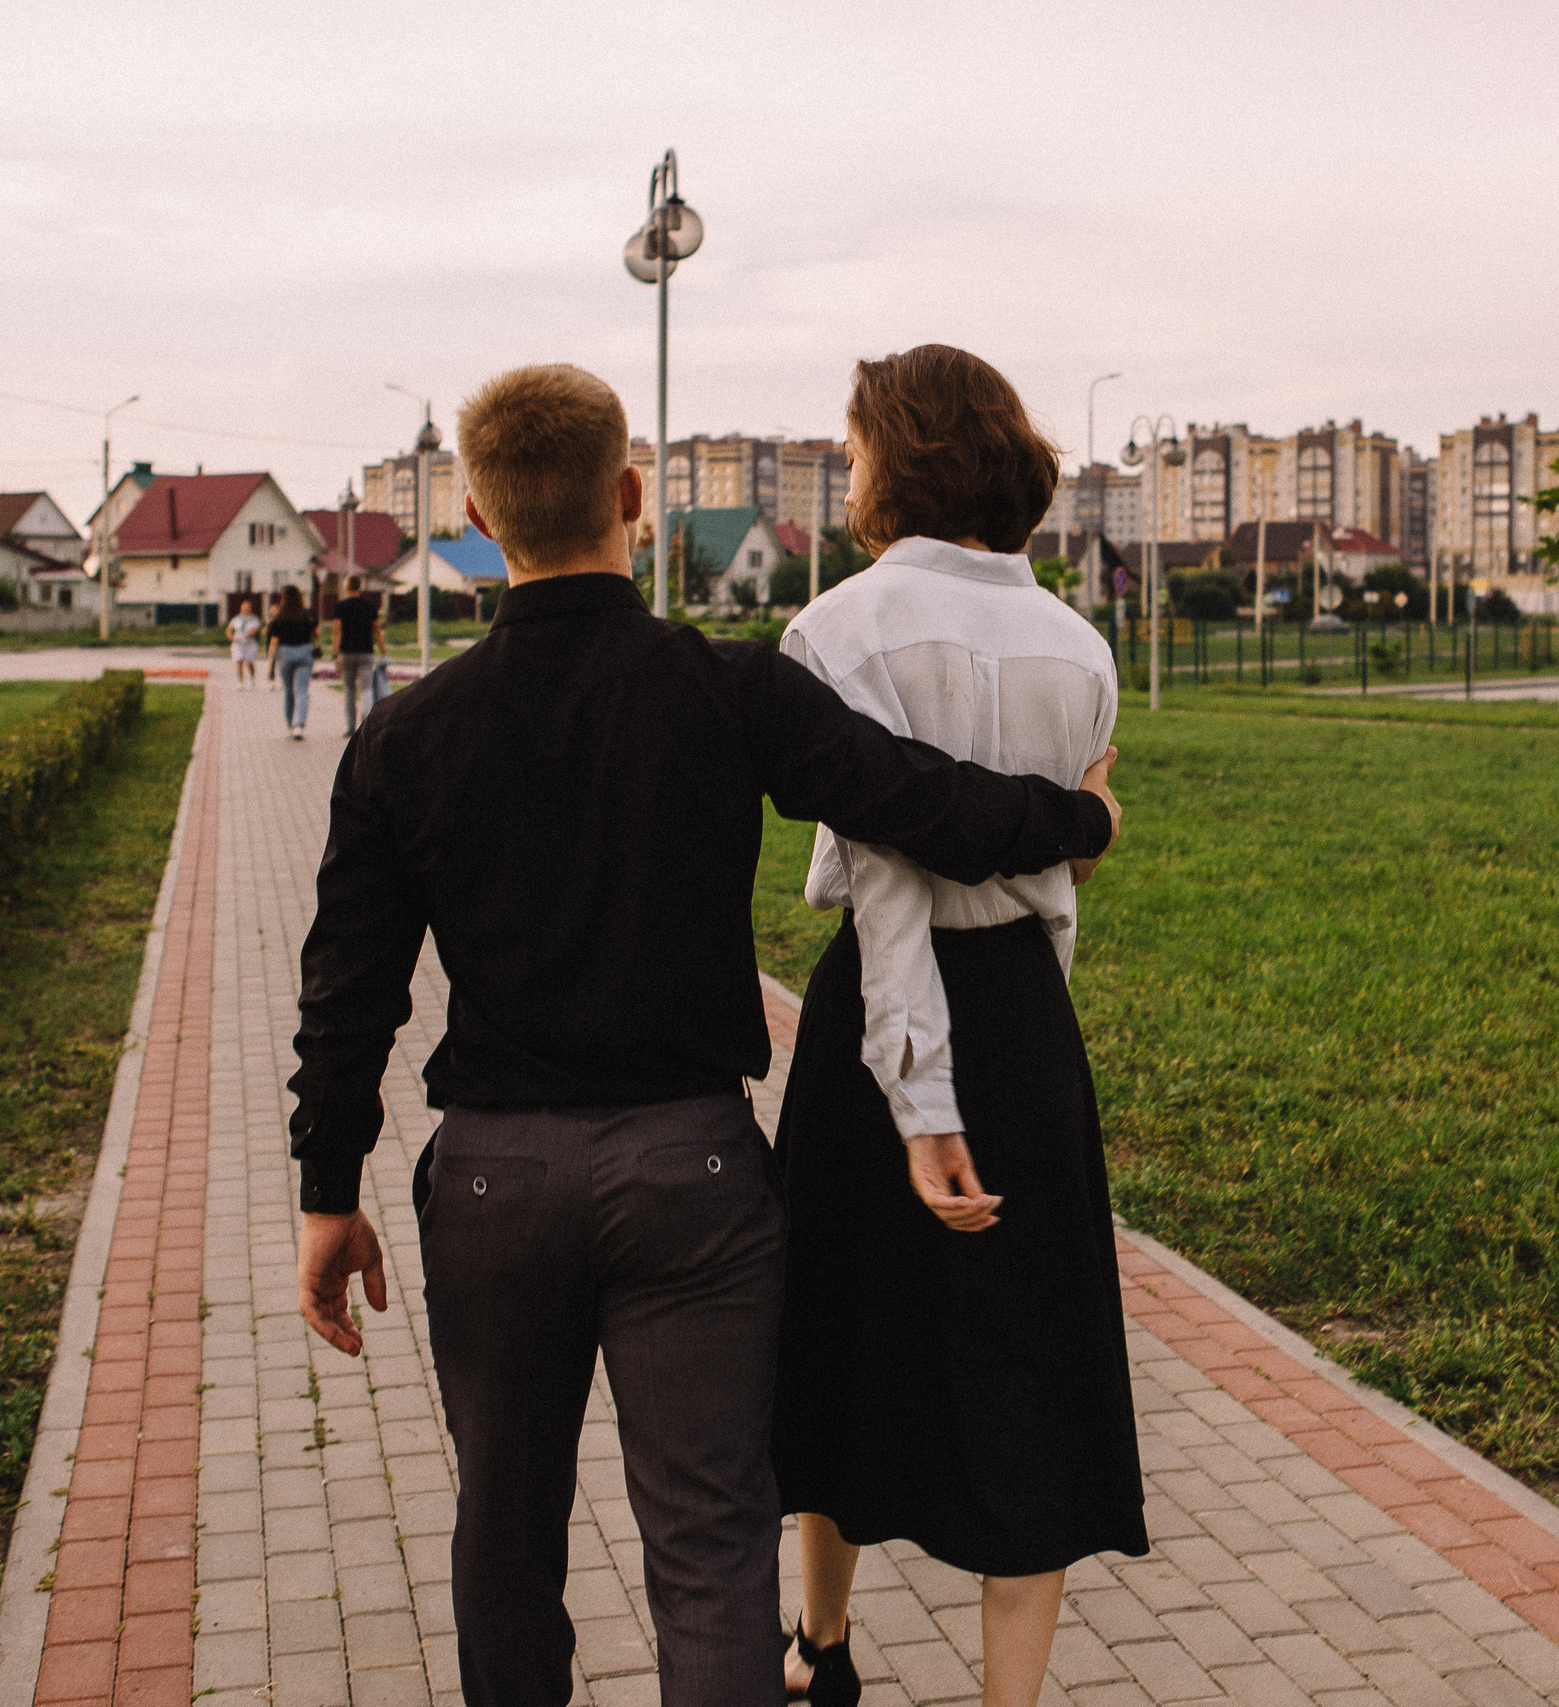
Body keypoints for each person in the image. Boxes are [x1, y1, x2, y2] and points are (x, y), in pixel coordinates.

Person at [288, 362, 1121, 1707]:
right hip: (695, 1178)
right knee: (709, 1543)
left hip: (493, 1184)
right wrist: (1080, 821)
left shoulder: (407, 736)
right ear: (632, 495)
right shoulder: (725, 689)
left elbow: (347, 990)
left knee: (503, 1532)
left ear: (484, 519)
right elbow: (924, 807)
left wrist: (329, 1190)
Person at [773, 346, 1147, 1707]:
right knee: (1030, 1367)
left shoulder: (835, 633)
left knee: (837, 1337)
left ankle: (820, 1646)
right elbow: (1057, 882)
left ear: (901, 454)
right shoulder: (1084, 645)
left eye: (858, 441)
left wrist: (921, 1103)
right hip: (1025, 1024)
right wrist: (1025, 1041)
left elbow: (886, 892)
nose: (850, 465)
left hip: (883, 1021)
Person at [330, 572, 383, 735]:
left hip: (346, 652)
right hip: (366, 652)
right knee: (367, 688)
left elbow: (337, 632)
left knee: (349, 690)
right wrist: (383, 649)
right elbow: (376, 630)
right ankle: (366, 721)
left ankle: (350, 727)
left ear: (346, 587)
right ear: (359, 587)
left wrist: (334, 654)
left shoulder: (340, 607)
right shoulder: (369, 606)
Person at [266, 586, 318, 738]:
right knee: (302, 690)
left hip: (285, 653)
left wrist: (270, 665)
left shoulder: (278, 617)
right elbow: (316, 634)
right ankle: (299, 726)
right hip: (304, 653)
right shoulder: (307, 615)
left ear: (283, 598)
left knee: (289, 690)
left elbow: (274, 642)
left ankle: (290, 723)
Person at [227, 594, 264, 688]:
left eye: (248, 608)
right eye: (244, 608)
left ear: (250, 609)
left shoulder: (254, 619)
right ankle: (240, 682)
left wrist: (249, 634)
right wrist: (230, 636)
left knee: (250, 662)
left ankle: (252, 679)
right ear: (241, 608)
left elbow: (256, 629)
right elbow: (229, 629)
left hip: (249, 643)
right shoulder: (236, 619)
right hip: (238, 643)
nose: (246, 609)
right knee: (239, 661)